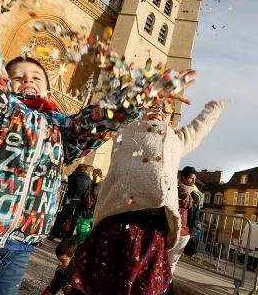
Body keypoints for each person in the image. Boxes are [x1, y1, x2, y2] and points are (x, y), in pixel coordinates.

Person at [0, 0, 189, 294]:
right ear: (4, 85)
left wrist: (145, 93)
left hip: (21, 247)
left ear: (49, 87)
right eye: (17, 76)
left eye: (36, 75)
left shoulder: (61, 129)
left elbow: (98, 121)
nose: (27, 80)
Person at [67, 99, 227, 294]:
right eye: (152, 106)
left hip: (151, 223)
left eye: (164, 110)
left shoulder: (175, 140)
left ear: (170, 120)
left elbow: (197, 129)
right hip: (118, 215)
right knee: (101, 278)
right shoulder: (125, 130)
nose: (157, 112)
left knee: (140, 282)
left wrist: (215, 107)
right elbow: (110, 114)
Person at [168, 166, 205, 272]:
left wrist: (191, 233)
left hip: (184, 233)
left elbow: (197, 215)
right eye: (191, 178)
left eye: (194, 179)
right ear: (183, 177)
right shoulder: (174, 191)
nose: (193, 181)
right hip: (170, 230)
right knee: (162, 258)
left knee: (172, 263)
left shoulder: (196, 195)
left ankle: (164, 287)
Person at [51, 165, 93, 239]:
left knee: (63, 216)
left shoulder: (73, 176)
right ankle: (69, 235)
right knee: (75, 218)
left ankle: (55, 233)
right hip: (80, 202)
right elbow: (89, 190)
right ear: (85, 170)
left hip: (69, 199)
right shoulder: (88, 179)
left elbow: (69, 183)